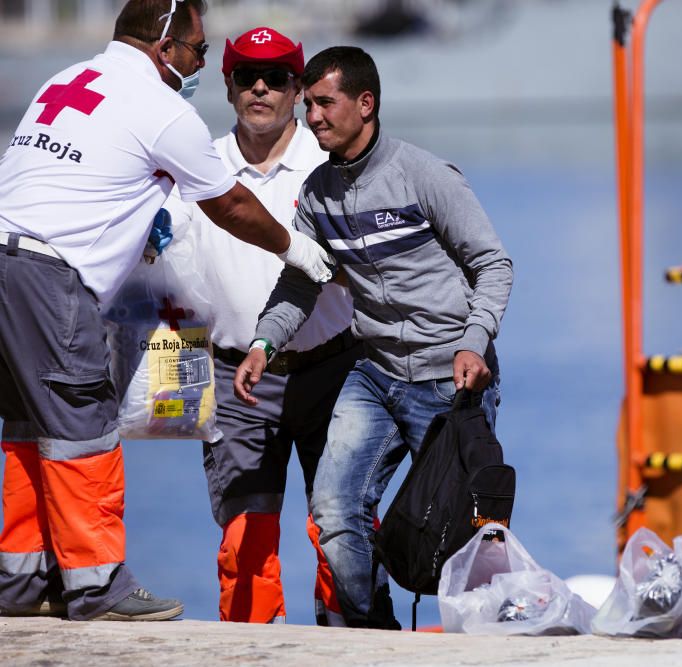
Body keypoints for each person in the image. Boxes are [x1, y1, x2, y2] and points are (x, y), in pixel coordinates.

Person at [0, 0, 334, 622]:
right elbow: (229, 205)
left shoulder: (67, 79)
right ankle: (97, 585)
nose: (200, 63)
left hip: (5, 256)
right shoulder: (161, 109)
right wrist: (294, 248)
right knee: (80, 421)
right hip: (53, 277)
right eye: (200, 52)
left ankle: (19, 580)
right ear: (164, 44)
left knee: (26, 421)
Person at [234, 46, 514, 629]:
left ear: (366, 104)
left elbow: (493, 264)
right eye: (307, 104)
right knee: (334, 513)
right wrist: (263, 344)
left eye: (324, 103)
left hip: (451, 377)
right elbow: (301, 281)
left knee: (460, 525)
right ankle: (372, 633)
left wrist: (474, 339)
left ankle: (487, 634)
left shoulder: (424, 175)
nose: (311, 117)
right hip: (376, 372)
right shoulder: (315, 195)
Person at [160, 26, 357, 626]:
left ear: (299, 88)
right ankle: (249, 652)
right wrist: (175, 392)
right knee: (243, 541)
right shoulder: (197, 169)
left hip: (331, 368)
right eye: (247, 75)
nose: (262, 88)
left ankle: (352, 642)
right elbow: (171, 282)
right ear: (227, 85)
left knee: (343, 527)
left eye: (277, 77)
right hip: (232, 376)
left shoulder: (331, 161)